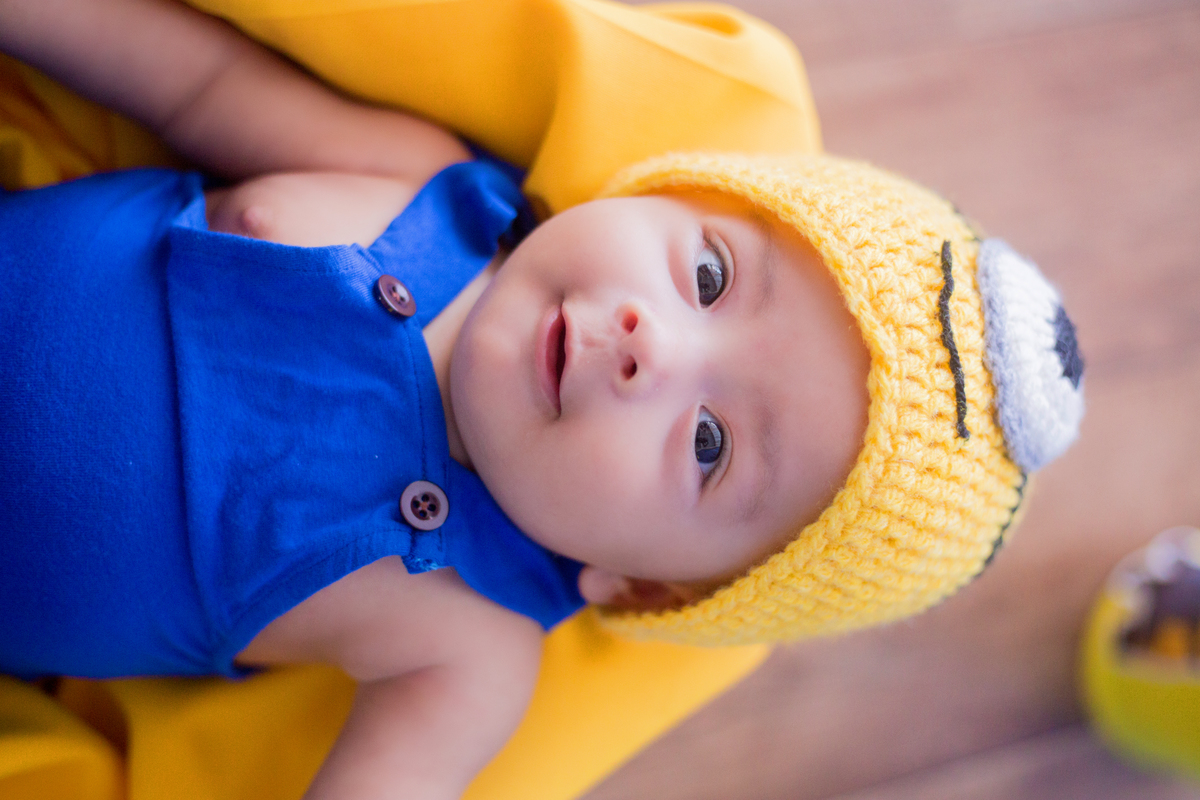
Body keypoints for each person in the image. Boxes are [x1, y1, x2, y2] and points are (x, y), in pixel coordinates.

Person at [0, 0, 1086, 797]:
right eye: (708, 275)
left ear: (645, 586)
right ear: (669, 193)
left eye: (709, 442)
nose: (647, 344)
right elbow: (194, 85)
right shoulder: (418, 184)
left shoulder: (471, 648)